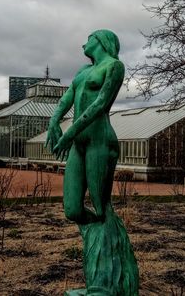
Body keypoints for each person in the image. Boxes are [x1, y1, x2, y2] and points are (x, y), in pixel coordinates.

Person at [46, 29, 125, 224]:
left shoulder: (114, 66)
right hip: (79, 144)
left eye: (88, 40)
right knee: (72, 210)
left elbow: (100, 105)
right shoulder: (83, 70)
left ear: (101, 41)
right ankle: (95, 241)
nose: (83, 45)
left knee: (101, 208)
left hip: (100, 141)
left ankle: (109, 248)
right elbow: (67, 97)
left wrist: (69, 134)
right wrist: (53, 120)